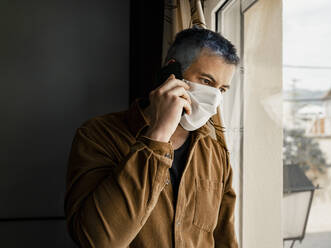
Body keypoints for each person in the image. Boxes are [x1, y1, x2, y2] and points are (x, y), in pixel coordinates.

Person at [64, 27, 240, 247]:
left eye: (222, 89)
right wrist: (158, 134)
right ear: (171, 71)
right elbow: (98, 240)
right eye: (206, 81)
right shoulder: (98, 135)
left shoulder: (216, 153)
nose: (214, 97)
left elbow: (224, 239)